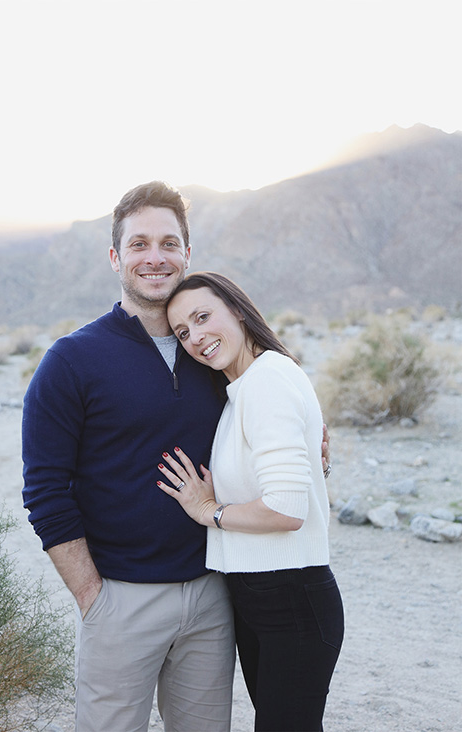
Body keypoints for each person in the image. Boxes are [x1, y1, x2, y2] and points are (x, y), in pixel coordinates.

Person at [23, 181, 332, 732]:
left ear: (187, 253)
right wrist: (92, 596)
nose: (155, 257)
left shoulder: (212, 353)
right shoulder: (71, 360)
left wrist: (315, 434)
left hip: (215, 596)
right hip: (121, 599)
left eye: (169, 243)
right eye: (139, 244)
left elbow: (269, 413)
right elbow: (45, 489)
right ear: (116, 257)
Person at [158, 272, 343, 732]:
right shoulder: (241, 391)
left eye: (203, 317)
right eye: (183, 332)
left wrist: (210, 512)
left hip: (292, 598)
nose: (196, 337)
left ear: (237, 310)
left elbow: (286, 509)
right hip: (262, 596)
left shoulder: (267, 380)